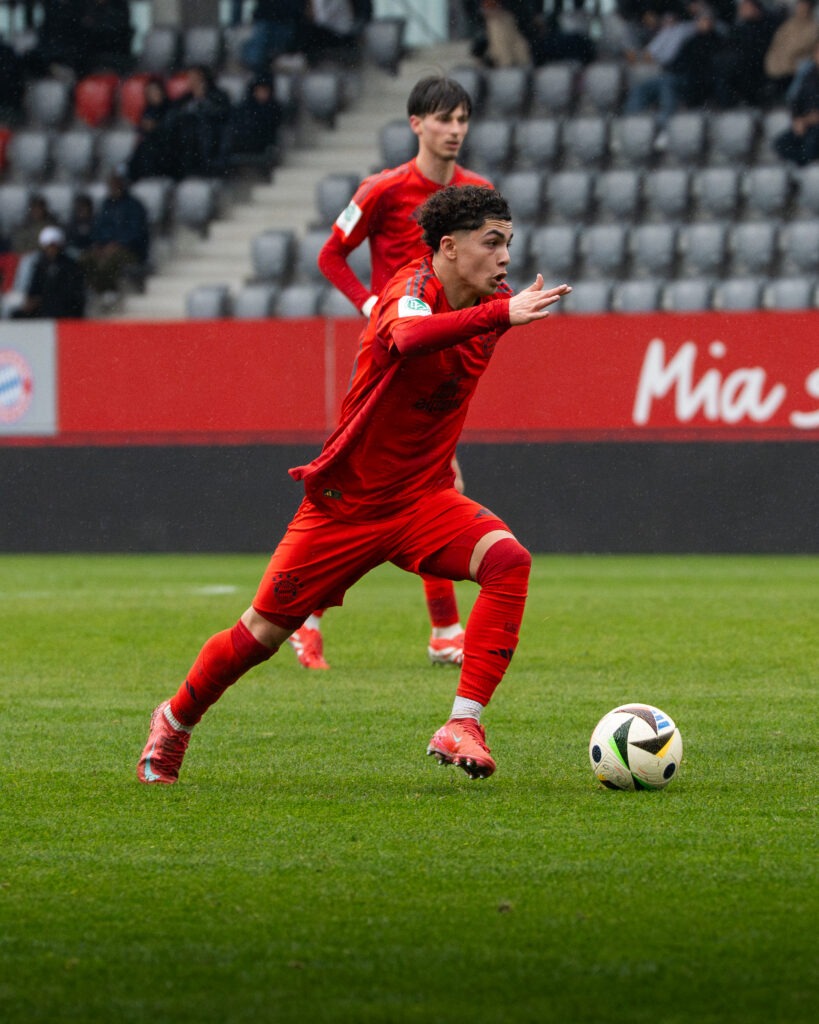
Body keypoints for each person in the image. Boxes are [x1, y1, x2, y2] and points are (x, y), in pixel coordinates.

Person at [136, 184, 571, 786]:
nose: (504, 258)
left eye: (509, 244)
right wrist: (503, 313)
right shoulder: (412, 290)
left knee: (508, 561)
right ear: (448, 247)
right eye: (491, 243)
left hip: (420, 500)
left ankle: (463, 724)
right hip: (346, 508)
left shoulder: (494, 301)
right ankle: (175, 719)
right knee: (260, 633)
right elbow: (411, 339)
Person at [298, 75, 493, 671]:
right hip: (389, 355)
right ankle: (310, 616)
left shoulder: (477, 192)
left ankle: (440, 630)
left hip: (442, 353)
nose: (455, 130)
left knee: (435, 484)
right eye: (443, 119)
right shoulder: (382, 189)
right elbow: (331, 254)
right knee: (364, 486)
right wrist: (369, 305)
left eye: (462, 119)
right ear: (417, 125)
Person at [79, 171, 149, 304]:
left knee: (110, 262)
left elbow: (137, 232)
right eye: (111, 184)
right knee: (85, 259)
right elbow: (98, 227)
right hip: (106, 247)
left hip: (130, 250)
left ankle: (109, 291)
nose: (113, 187)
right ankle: (100, 291)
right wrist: (99, 244)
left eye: (116, 183)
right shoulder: (106, 204)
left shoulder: (134, 206)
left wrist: (119, 243)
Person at [11, 225, 86, 319]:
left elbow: (72, 292)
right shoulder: (40, 264)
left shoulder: (70, 265)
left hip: (64, 307)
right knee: (17, 315)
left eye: (54, 246)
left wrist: (43, 299)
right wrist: (32, 300)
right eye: (49, 246)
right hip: (43, 307)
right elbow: (34, 287)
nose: (51, 249)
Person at [763, 0, 819, 102]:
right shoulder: (787, 26)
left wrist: (790, 56)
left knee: (804, 68)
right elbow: (777, 44)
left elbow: (805, 46)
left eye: (804, 6)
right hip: (781, 63)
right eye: (800, 6)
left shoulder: (814, 27)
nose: (801, 9)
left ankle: (793, 99)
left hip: (799, 63)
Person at [774, 40, 819, 165]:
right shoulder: (808, 76)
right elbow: (796, 101)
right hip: (806, 123)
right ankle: (802, 170)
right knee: (780, 144)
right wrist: (798, 120)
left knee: (810, 145)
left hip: (815, 126)